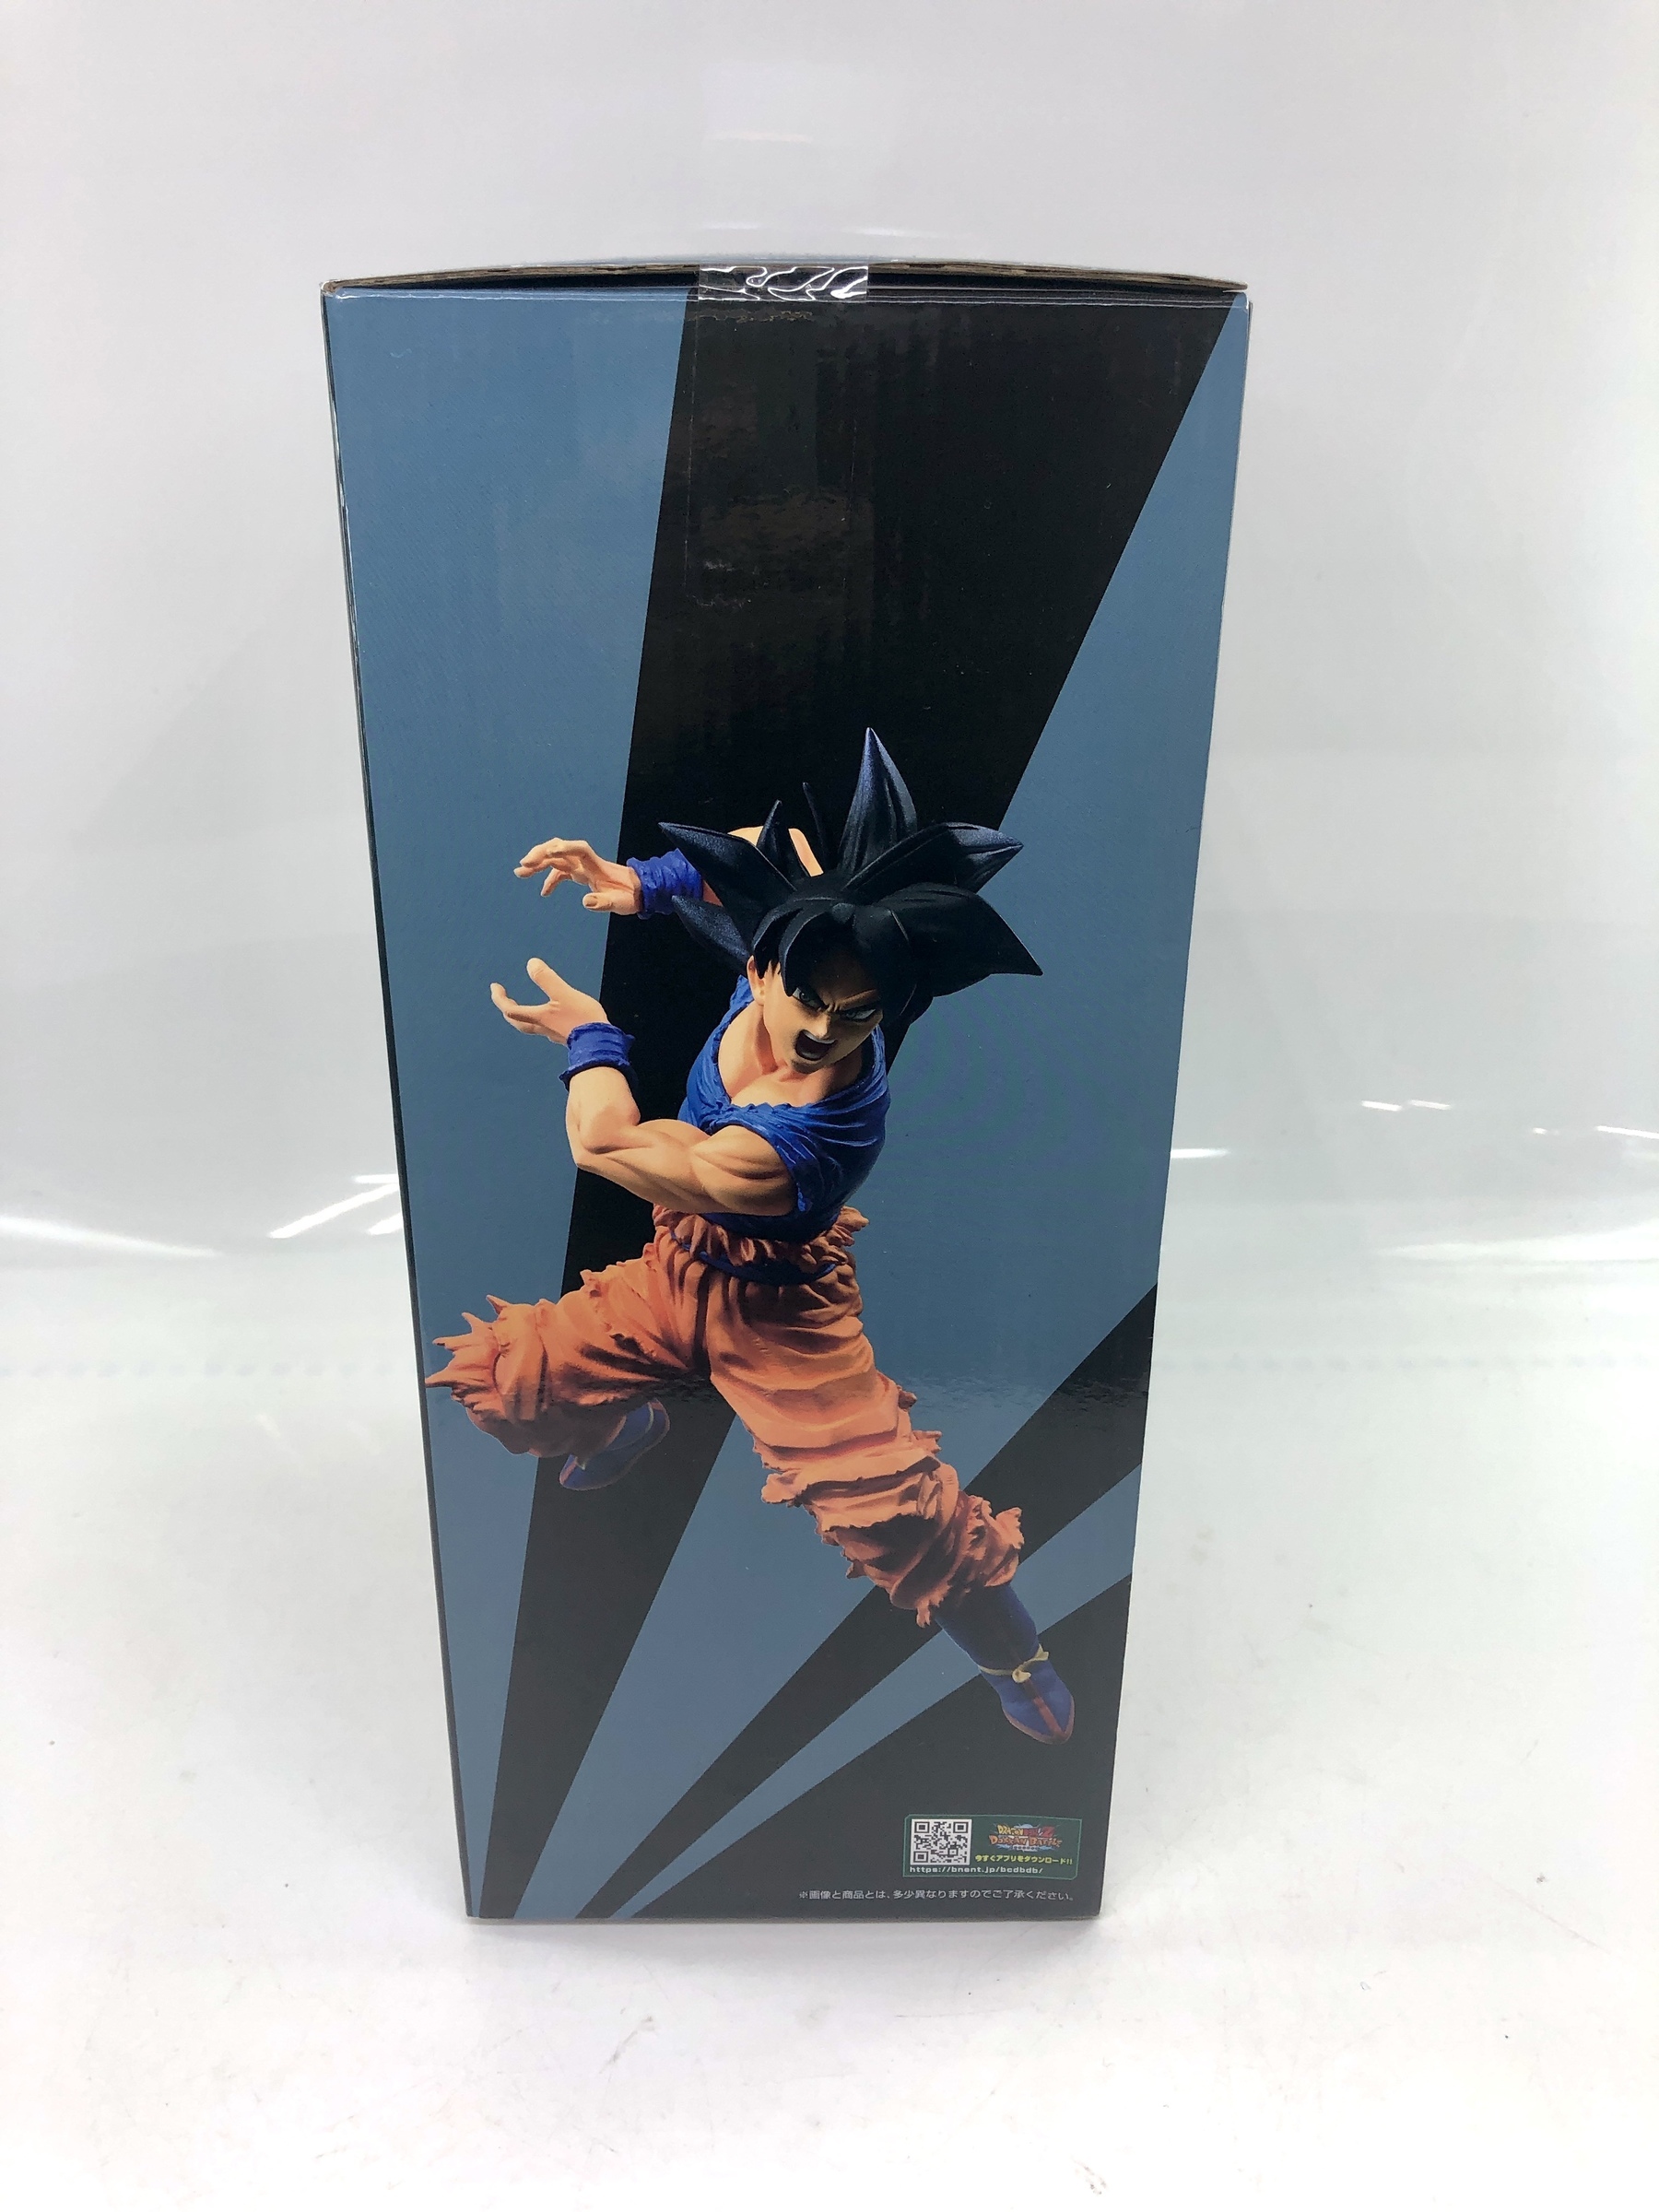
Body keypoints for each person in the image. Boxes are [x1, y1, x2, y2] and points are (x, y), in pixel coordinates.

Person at [425, 733, 1073, 1743]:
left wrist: (590, 1037)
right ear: (766, 962)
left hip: (781, 1310)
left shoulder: (805, 1139)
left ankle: (1015, 1657)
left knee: (894, 1512)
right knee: (506, 1381)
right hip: (678, 1266)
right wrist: (641, 883)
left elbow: (603, 1144)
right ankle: (620, 1426)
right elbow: (760, 856)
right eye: (809, 999)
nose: (822, 1031)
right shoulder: (799, 929)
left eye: (858, 1015)